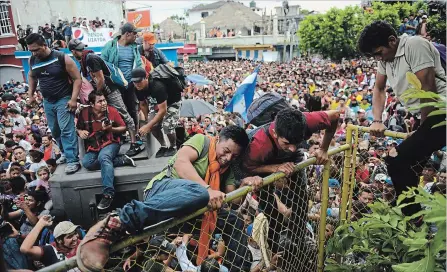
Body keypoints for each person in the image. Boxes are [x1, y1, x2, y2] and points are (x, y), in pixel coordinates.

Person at [76, 125, 263, 271]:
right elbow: (181, 164)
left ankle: (239, 269)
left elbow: (232, 200)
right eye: (226, 150)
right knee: (198, 193)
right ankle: (117, 222)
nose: (228, 158)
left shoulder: (226, 169)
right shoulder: (202, 141)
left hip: (192, 210)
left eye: (234, 156)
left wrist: (245, 185)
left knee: (233, 220)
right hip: (164, 191)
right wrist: (207, 189)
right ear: (218, 139)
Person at [358, 21, 446, 217]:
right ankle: (413, 213)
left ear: (391, 41)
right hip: (426, 116)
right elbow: (379, 88)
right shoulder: (385, 58)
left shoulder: (415, 45)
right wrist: (377, 119)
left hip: (441, 113)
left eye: (379, 52)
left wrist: (423, 129)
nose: (377, 58)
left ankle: (412, 219)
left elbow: (427, 88)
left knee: (395, 160)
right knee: (412, 168)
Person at [241, 107, 339, 270]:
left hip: (293, 163)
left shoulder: (306, 121)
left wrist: (323, 148)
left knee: (301, 203)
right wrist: (274, 168)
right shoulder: (259, 143)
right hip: (263, 168)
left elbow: (335, 116)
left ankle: (299, 244)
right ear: (275, 134)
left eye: (297, 142)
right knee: (271, 213)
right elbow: (246, 168)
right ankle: (276, 254)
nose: (293, 147)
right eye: (287, 143)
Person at [69, 39, 141, 157]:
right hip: (104, 92)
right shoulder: (85, 59)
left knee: (124, 114)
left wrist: (97, 94)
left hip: (110, 90)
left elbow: (101, 79)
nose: (80, 51)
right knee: (110, 115)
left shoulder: (90, 58)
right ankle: (118, 139)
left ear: (73, 52)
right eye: (79, 49)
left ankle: (135, 143)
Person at [26, 33, 81, 174]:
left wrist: (73, 99)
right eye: (31, 50)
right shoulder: (32, 60)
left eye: (36, 49)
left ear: (45, 45)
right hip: (47, 101)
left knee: (66, 129)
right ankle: (64, 152)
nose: (34, 53)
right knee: (55, 130)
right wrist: (30, 95)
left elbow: (77, 79)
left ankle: (73, 160)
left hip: (64, 98)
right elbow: (32, 76)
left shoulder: (62, 58)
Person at [77, 91, 136, 209]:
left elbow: (123, 128)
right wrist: (80, 132)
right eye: (100, 101)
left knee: (104, 157)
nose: (104, 103)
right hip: (94, 145)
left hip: (111, 142)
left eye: (104, 100)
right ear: (92, 104)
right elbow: (78, 128)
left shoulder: (112, 111)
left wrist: (111, 129)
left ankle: (108, 194)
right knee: (87, 163)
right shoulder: (84, 113)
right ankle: (122, 160)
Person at [101, 23, 144, 157]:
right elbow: (103, 63)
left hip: (131, 84)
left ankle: (134, 139)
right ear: (127, 34)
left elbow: (138, 63)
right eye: (134, 33)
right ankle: (120, 137)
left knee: (132, 110)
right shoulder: (111, 46)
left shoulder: (134, 47)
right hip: (115, 85)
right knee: (118, 112)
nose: (136, 36)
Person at [131, 67, 181, 157]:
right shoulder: (137, 88)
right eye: (135, 82)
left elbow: (163, 110)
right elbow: (143, 104)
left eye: (139, 81)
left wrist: (147, 125)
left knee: (168, 126)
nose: (137, 84)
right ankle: (163, 146)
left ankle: (173, 146)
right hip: (156, 102)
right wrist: (148, 121)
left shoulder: (157, 87)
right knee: (153, 126)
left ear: (146, 78)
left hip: (172, 102)